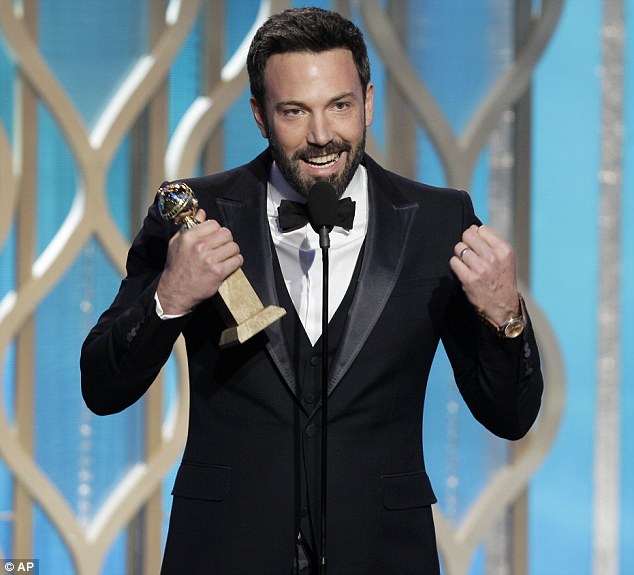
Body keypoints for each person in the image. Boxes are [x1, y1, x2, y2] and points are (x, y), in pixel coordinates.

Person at [80, 7, 543, 575]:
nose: (322, 136)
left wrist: (506, 319)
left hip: (383, 554)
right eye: (294, 111)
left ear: (368, 103)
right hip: (225, 551)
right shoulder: (193, 216)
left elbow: (510, 417)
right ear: (260, 115)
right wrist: (169, 298)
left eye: (339, 106)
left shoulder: (438, 220)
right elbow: (101, 388)